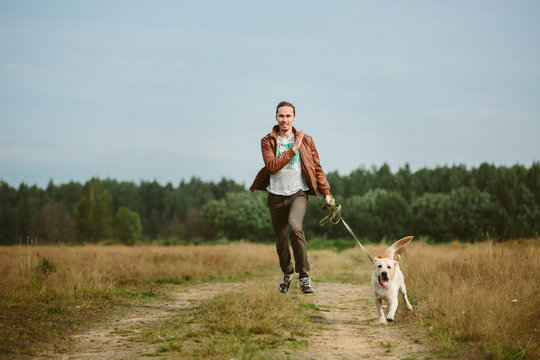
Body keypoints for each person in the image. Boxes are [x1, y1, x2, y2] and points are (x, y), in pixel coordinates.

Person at [250, 101, 333, 294]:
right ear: (276, 118)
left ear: (294, 118)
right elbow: (271, 167)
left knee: (295, 227)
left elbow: (316, 167)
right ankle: (287, 273)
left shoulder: (306, 140)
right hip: (276, 195)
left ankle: (304, 276)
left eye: (288, 116)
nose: (284, 119)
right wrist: (293, 149)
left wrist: (327, 193)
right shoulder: (268, 141)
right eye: (281, 116)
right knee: (280, 240)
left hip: (298, 193)